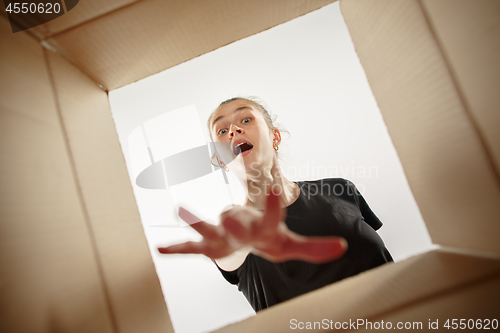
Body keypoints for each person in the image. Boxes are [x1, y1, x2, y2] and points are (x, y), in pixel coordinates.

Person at [158, 97, 393, 311]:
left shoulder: (341, 189)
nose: (233, 130)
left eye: (246, 119)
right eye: (221, 130)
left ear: (274, 137)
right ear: (221, 160)